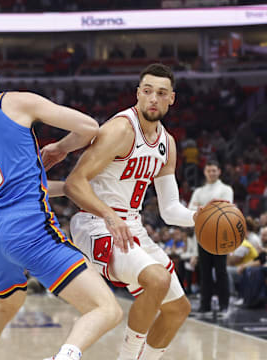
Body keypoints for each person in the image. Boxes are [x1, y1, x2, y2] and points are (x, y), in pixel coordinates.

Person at [0, 34, 122, 360]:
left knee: (6, 305)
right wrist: (59, 148)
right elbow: (89, 128)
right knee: (106, 309)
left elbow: (15, 184)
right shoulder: (13, 102)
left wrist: (68, 188)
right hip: (29, 228)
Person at [43, 63, 204, 360]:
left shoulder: (167, 144)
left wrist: (200, 217)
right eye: (147, 91)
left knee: (178, 309)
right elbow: (75, 184)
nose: (153, 98)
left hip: (130, 226)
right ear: (138, 94)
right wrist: (110, 215)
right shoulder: (120, 129)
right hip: (96, 223)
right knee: (157, 279)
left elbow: (169, 210)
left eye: (161, 93)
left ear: (172, 99)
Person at [188, 160, 234, 315]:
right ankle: (205, 305)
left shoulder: (226, 189)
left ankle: (224, 306)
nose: (212, 173)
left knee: (221, 272)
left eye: (214, 170)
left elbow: (224, 209)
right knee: (205, 272)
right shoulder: (199, 191)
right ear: (205, 172)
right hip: (202, 236)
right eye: (209, 170)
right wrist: (210, 206)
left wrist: (203, 208)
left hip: (220, 236)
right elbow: (191, 212)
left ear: (219, 171)